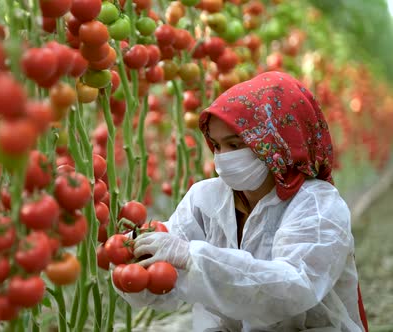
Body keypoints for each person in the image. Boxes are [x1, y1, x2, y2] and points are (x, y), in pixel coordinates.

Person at [115, 71, 369, 332]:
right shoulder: (204, 199)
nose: (223, 157)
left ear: (274, 143)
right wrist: (132, 261)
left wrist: (192, 257)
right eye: (216, 145)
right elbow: (164, 287)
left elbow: (293, 290)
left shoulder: (317, 206)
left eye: (234, 145)